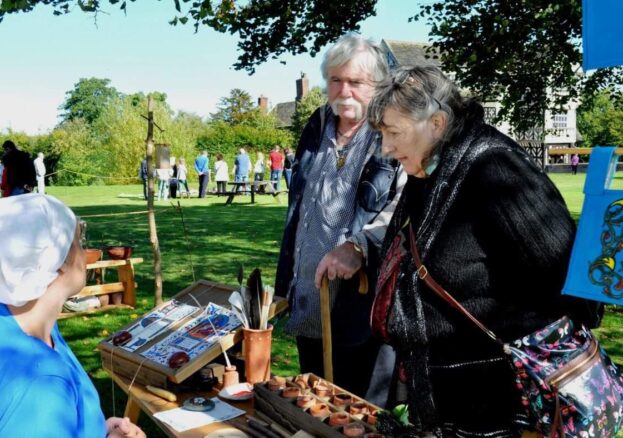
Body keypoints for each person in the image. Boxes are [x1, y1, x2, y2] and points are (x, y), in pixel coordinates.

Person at [367, 65, 602, 437]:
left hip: (501, 405)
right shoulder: (427, 171)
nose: (386, 147)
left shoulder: (495, 169)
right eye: (382, 134)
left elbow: (568, 279)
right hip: (447, 400)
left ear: (437, 123)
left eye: (393, 133)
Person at [275, 34, 405, 401]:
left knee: (359, 411)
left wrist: (359, 247)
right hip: (310, 296)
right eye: (335, 80)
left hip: (363, 303)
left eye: (355, 81)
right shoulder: (316, 125)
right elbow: (298, 209)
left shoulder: (391, 131)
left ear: (376, 85)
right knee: (313, 405)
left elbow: (405, 208)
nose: (343, 90)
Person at [0, 193, 145, 438]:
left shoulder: (28, 323)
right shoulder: (39, 383)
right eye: (78, 241)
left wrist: (96, 429)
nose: (84, 251)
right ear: (57, 261)